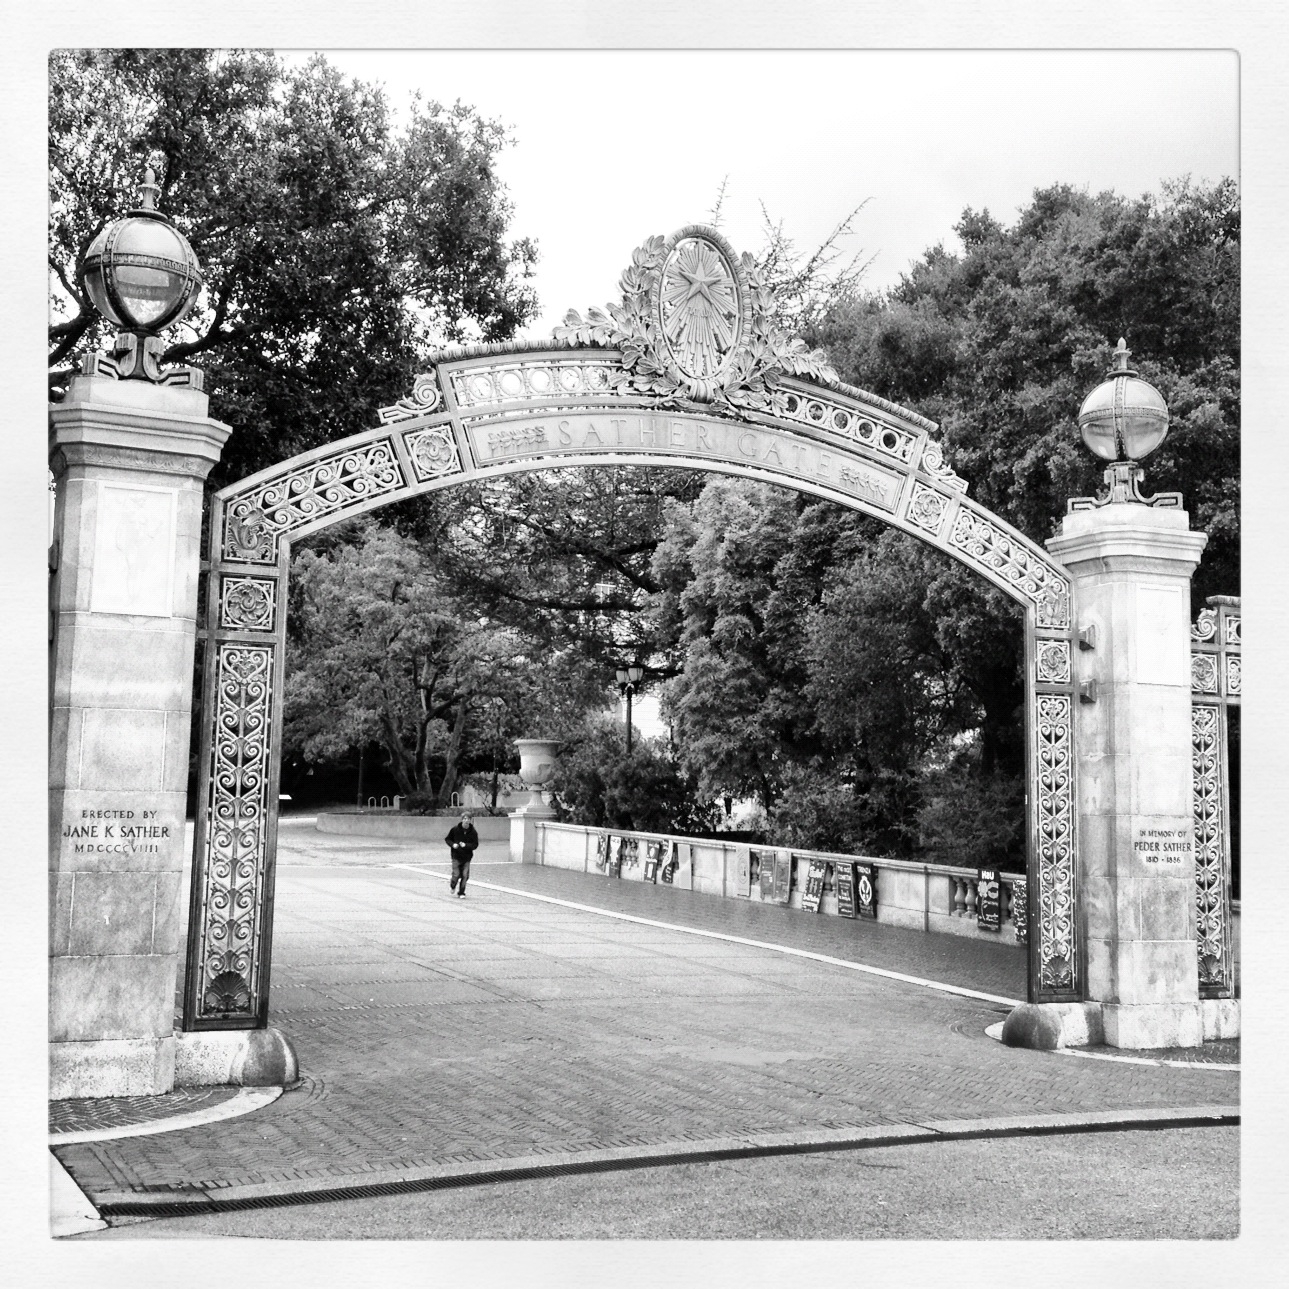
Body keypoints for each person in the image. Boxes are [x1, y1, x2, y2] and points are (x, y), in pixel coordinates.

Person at [446, 811, 479, 898]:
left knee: (465, 875)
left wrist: (466, 845)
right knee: (456, 874)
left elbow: (475, 845)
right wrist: (453, 845)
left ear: (470, 820)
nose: (466, 821)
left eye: (468, 819)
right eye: (465, 819)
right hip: (456, 856)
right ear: (462, 820)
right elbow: (448, 839)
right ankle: (453, 885)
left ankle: (461, 892)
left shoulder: (473, 832)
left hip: (467, 857)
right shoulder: (455, 829)